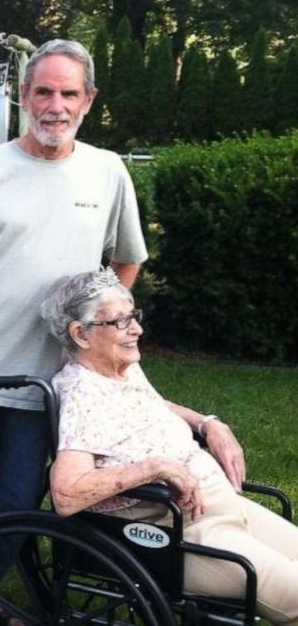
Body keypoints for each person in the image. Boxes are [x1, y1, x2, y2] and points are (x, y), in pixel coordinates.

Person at [0, 38, 148, 625]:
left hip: (53, 379)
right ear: (23, 97)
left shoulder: (108, 171)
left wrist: (101, 334)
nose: (55, 104)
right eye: (42, 91)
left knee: (21, 503)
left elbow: (126, 262)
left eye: (69, 92)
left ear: (89, 100)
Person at [41, 268, 297, 625]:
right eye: (119, 322)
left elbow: (155, 407)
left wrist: (209, 424)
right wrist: (156, 467)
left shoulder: (121, 371)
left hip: (221, 507)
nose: (137, 330)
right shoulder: (84, 395)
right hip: (177, 531)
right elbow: (67, 494)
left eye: (133, 317)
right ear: (81, 334)